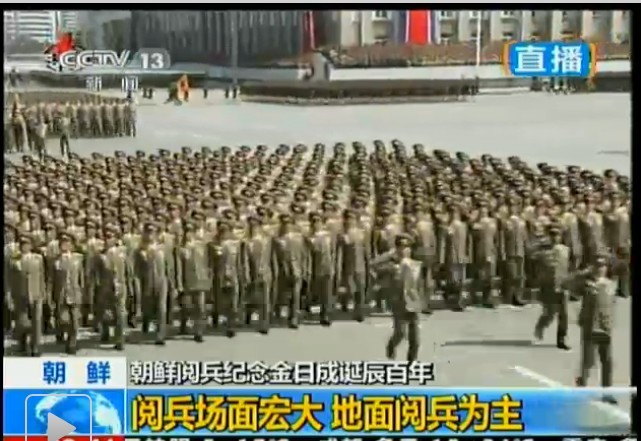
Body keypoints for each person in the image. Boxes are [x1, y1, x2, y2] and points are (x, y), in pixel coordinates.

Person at [371, 234, 424, 362]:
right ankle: (391, 345)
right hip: (398, 301)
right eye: (401, 247)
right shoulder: (391, 263)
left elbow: (420, 282)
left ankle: (411, 361)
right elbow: (373, 264)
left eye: (407, 247)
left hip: (412, 301)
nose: (405, 250)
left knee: (415, 338)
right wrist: (389, 258)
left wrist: (422, 300)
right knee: (400, 333)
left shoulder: (414, 262)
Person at [573, 254, 617, 403]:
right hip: (590, 326)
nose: (600, 269)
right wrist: (584, 274)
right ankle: (581, 384)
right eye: (597, 265)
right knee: (588, 361)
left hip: (605, 327)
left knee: (607, 361)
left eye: (603, 265)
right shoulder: (586, 284)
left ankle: (607, 392)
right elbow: (568, 284)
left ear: (607, 267)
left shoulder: (611, 284)